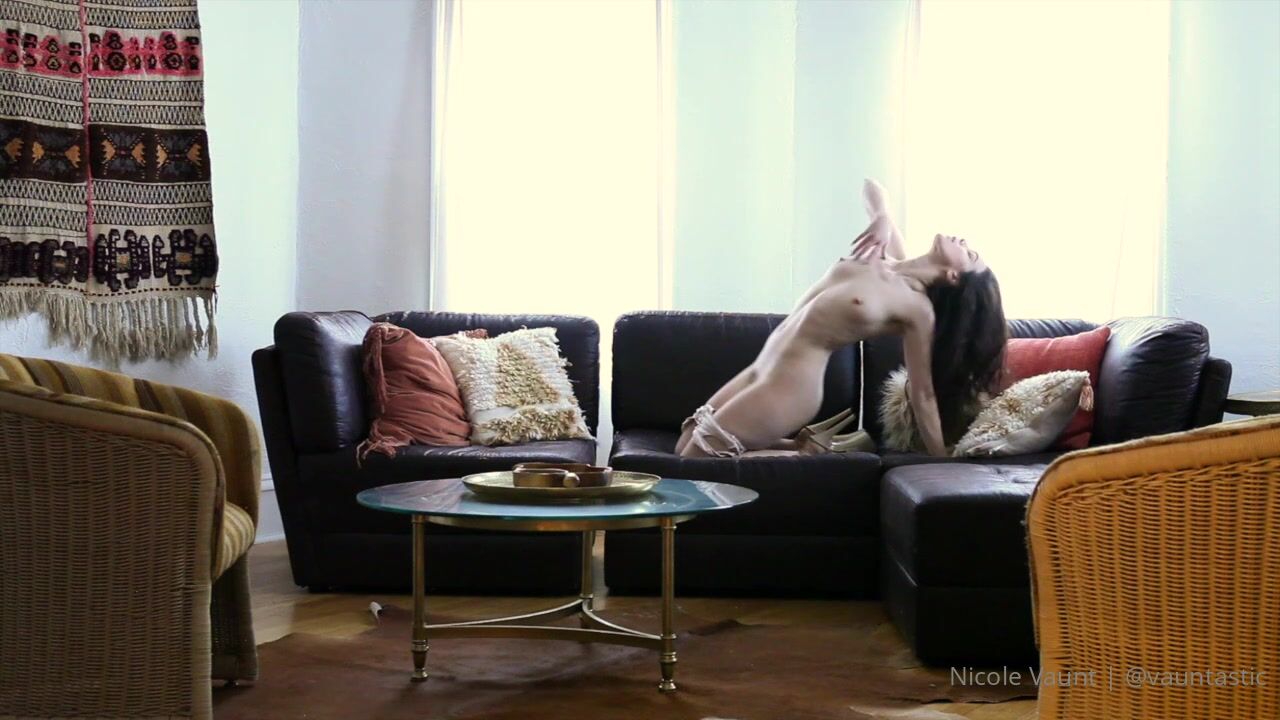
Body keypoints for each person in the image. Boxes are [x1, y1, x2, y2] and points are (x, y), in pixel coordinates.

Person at [676, 179, 1007, 459]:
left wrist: (940, 460)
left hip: (791, 384)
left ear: (953, 277)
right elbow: (871, 186)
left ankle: (806, 458)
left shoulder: (918, 310)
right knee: (684, 443)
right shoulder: (889, 251)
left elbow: (923, 394)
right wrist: (882, 216)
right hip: (760, 366)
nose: (964, 241)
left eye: (970, 254)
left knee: (696, 458)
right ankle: (807, 447)